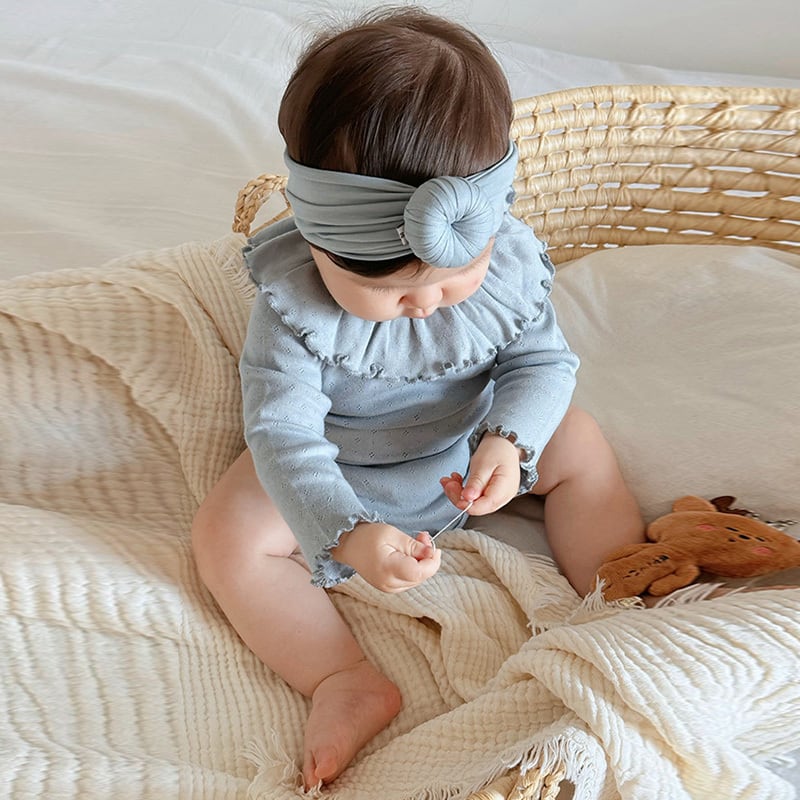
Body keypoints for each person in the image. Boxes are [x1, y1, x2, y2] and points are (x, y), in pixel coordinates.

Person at [191, 7, 645, 789]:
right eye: (389, 289)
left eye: (456, 275)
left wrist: (509, 440)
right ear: (315, 238)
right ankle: (341, 678)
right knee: (226, 536)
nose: (428, 302)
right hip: (345, 474)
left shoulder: (508, 269)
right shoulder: (294, 307)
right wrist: (346, 533)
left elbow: (543, 363)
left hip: (468, 452)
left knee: (580, 440)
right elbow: (282, 434)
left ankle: (618, 598)